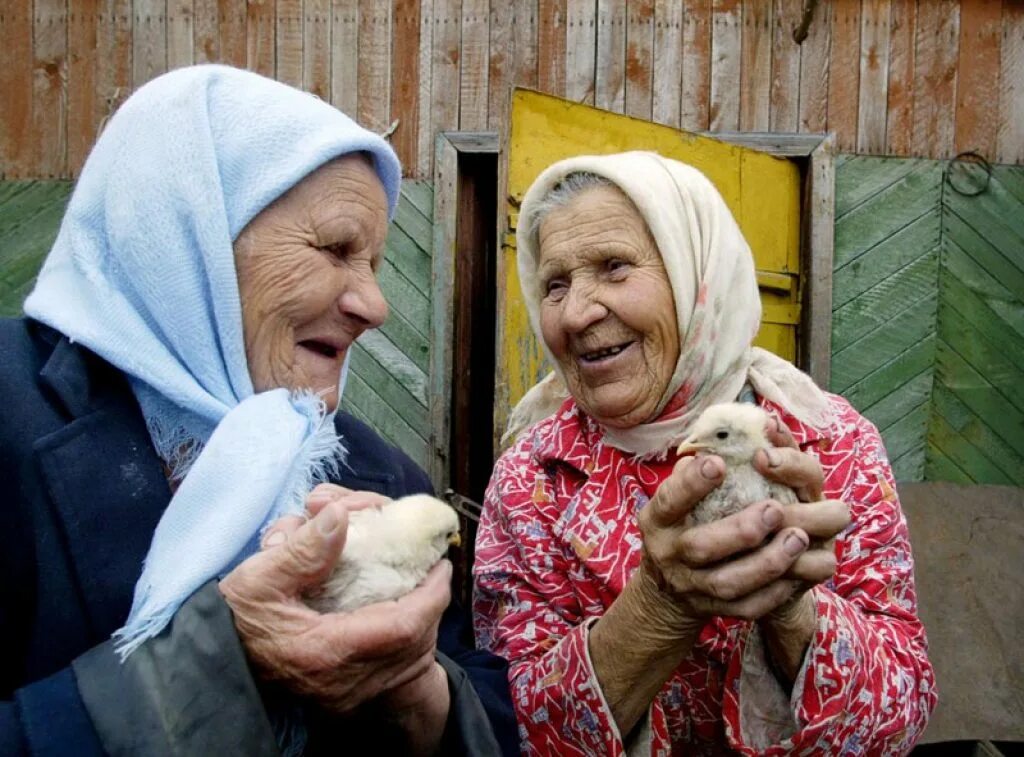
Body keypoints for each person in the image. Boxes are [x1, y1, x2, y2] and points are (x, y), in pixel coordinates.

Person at [0, 64, 516, 756]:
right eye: (335, 248)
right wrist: (223, 665)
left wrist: (413, 686)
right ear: (193, 233)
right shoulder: (13, 410)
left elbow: (485, 714)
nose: (376, 306)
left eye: (375, 264)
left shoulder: (381, 476)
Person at [472, 152, 937, 755]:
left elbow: (899, 720)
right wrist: (659, 606)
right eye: (554, 284)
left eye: (614, 267)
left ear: (700, 276)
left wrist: (792, 605)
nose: (575, 312)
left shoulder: (831, 443)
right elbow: (502, 730)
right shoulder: (532, 478)